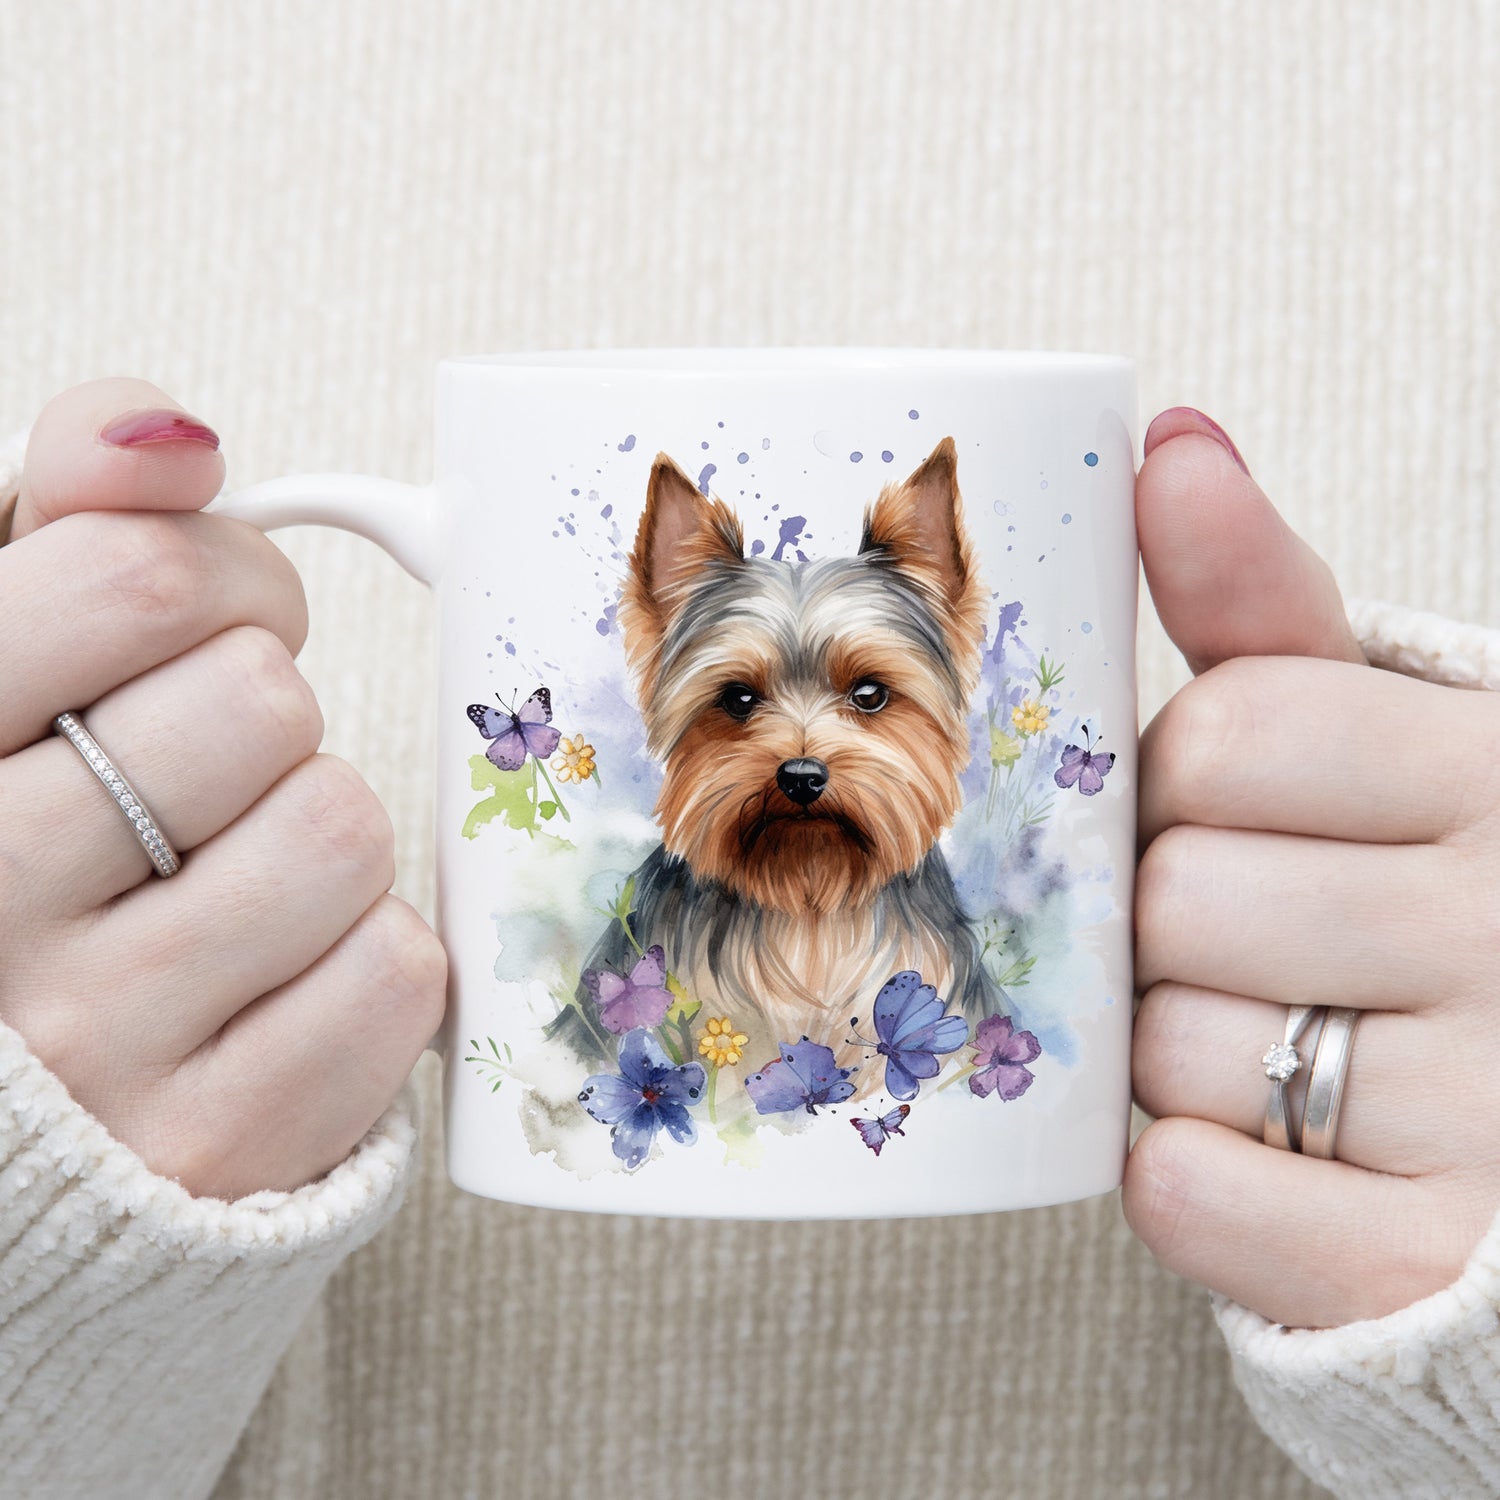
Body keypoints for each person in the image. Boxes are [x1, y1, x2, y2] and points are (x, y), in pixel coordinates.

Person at [1, 380, 1498, 1500]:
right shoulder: (642, 976)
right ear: (662, 667)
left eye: (865, 697)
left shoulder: (948, 959)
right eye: (736, 703)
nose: (798, 750)